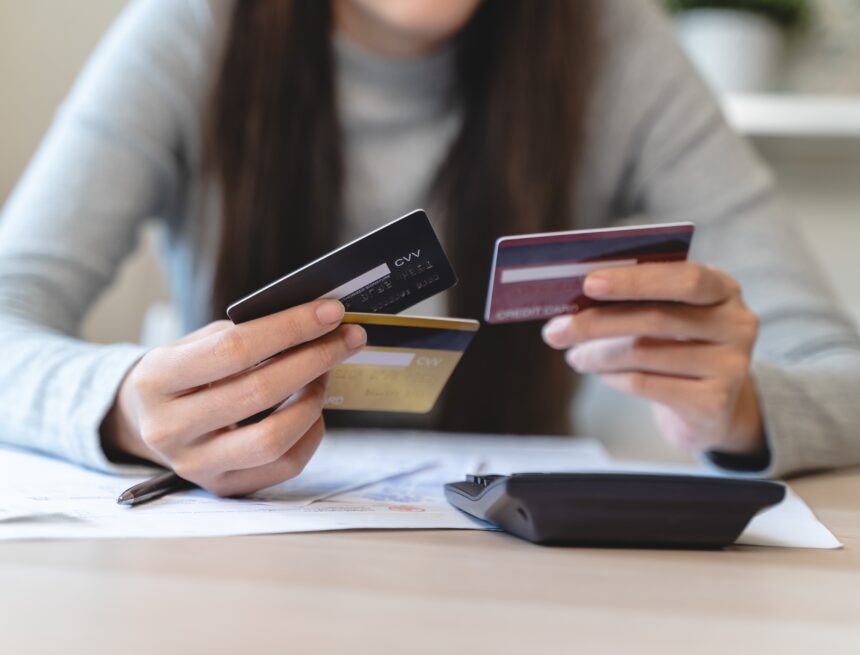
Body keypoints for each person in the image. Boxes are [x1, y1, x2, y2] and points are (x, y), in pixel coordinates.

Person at [0, 0, 858, 496]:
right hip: (235, 566)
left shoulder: (615, 46)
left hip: (520, 585)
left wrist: (741, 407)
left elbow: (838, 368)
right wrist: (123, 406)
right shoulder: (195, 28)